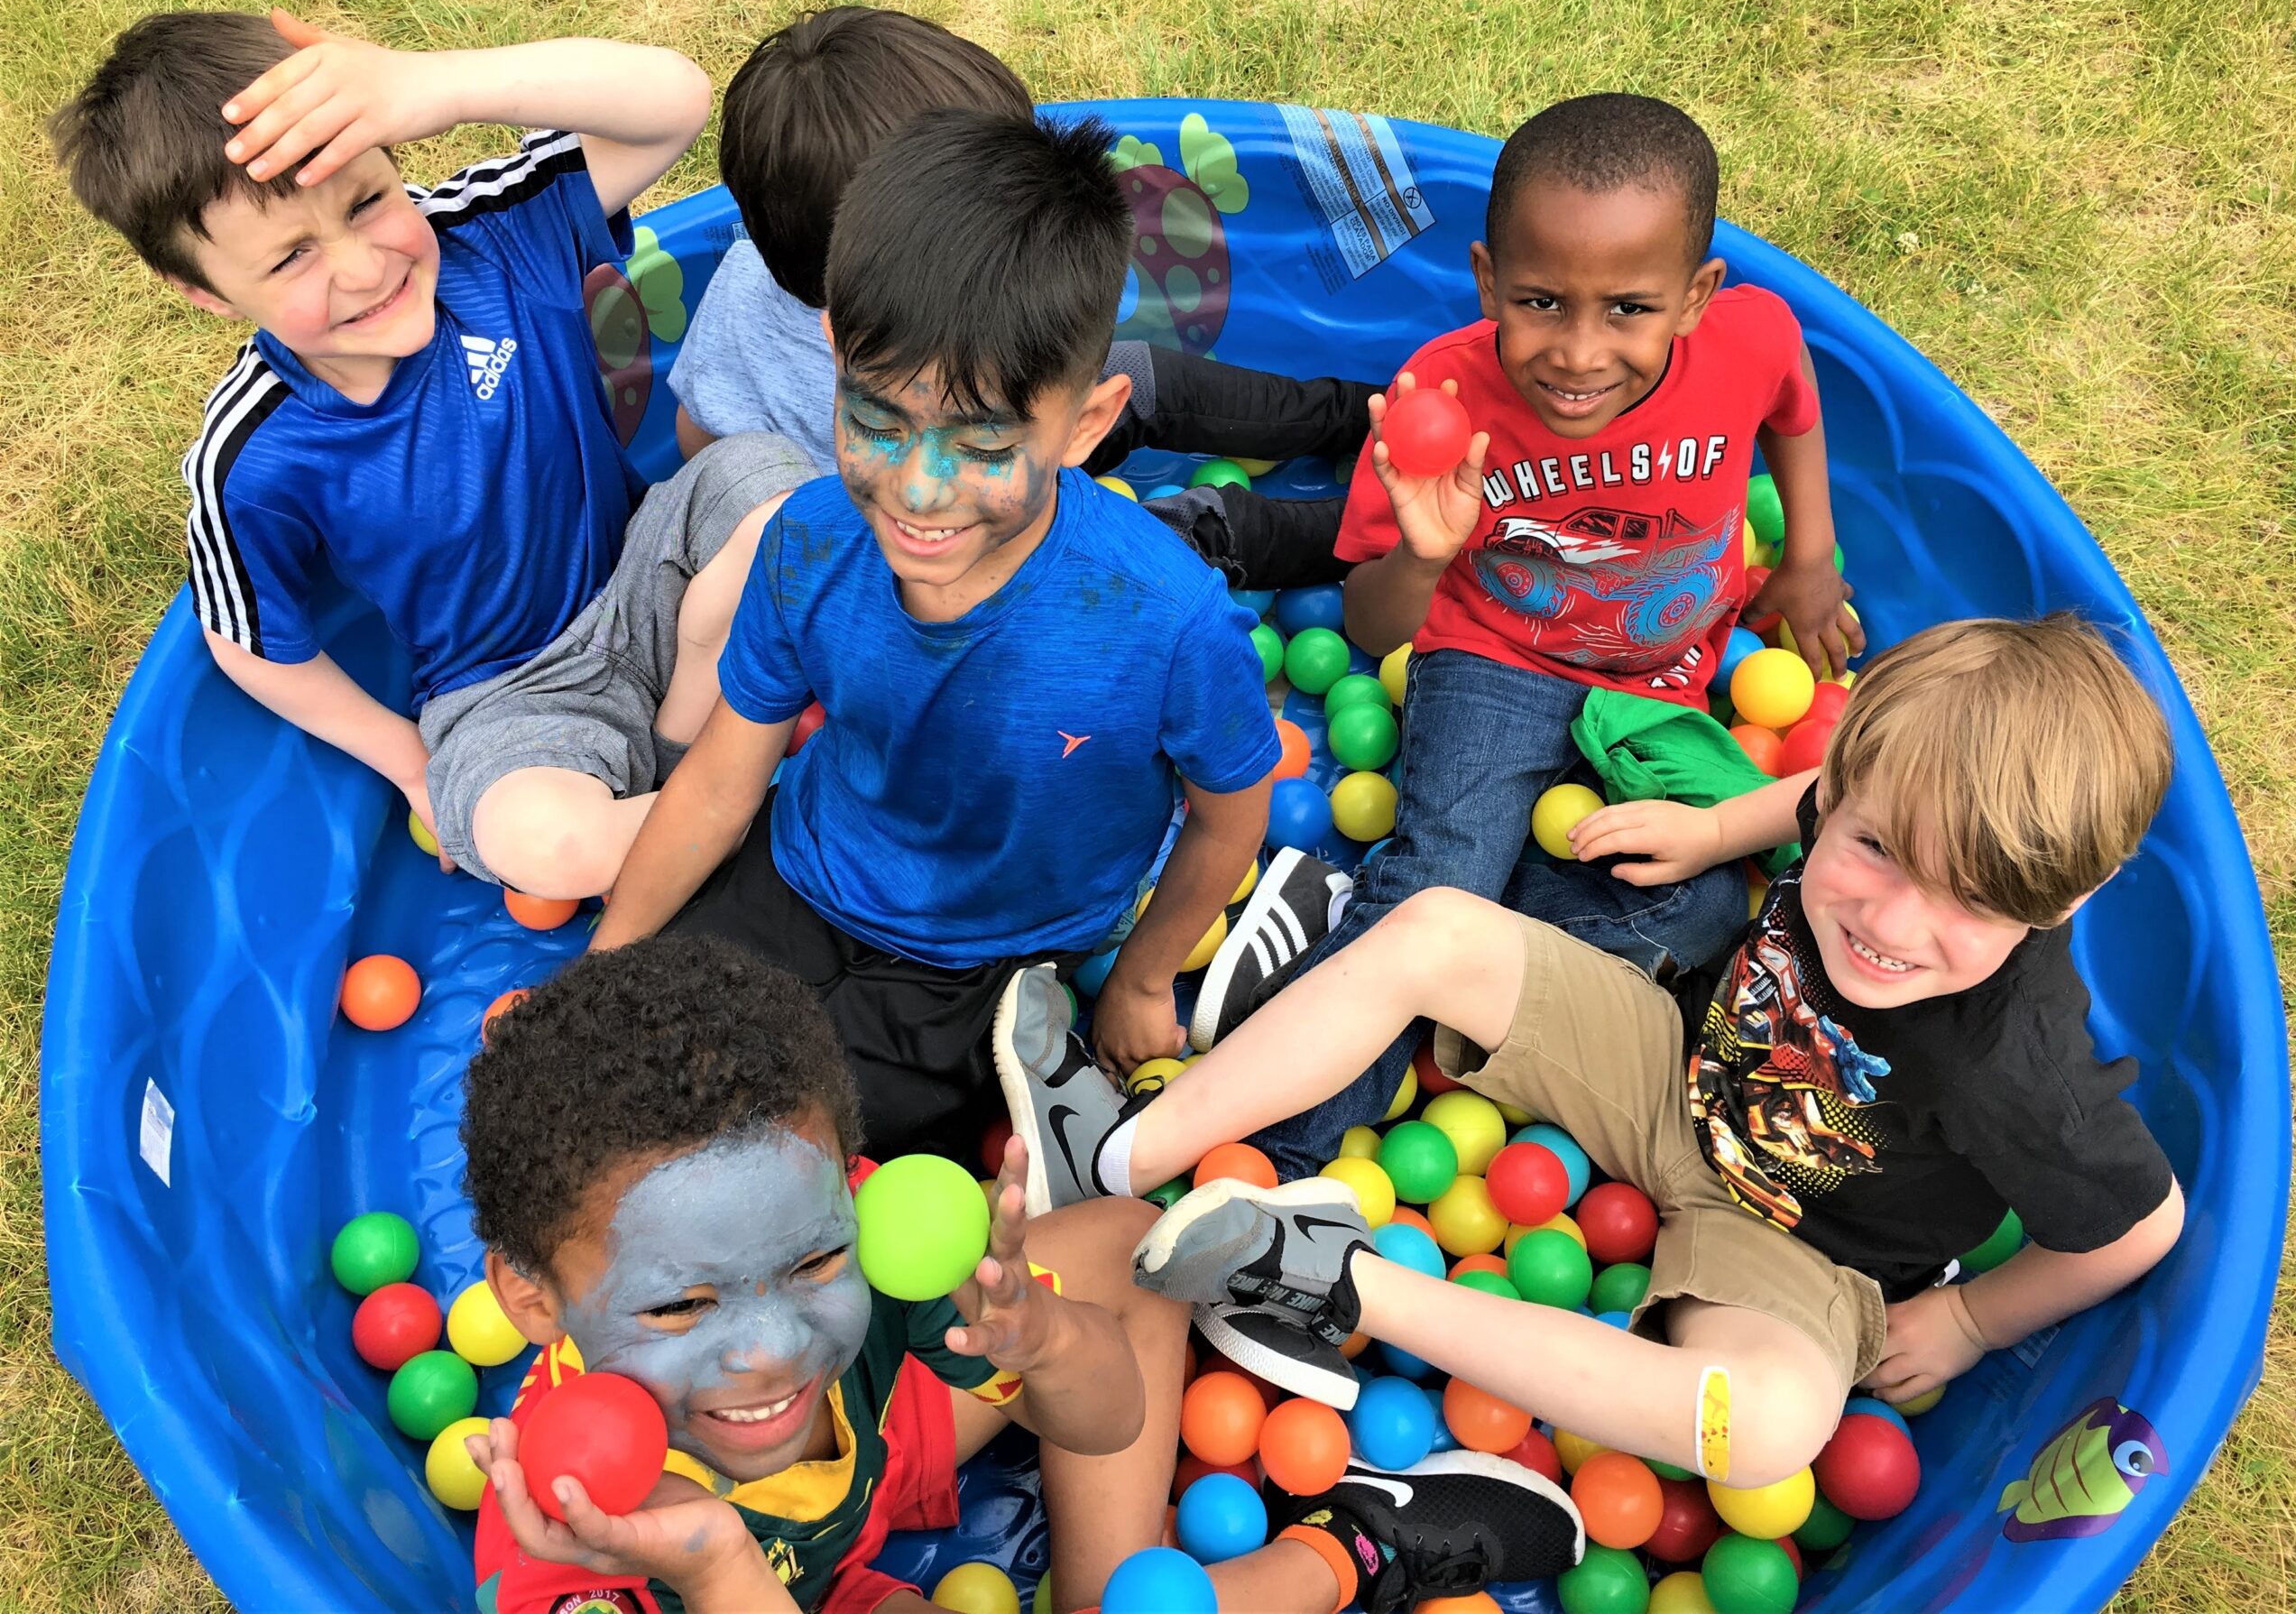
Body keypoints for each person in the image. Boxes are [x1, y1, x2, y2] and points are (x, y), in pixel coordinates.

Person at [1001, 615, 2185, 1469]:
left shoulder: (2013, 1061)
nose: (1890, 920)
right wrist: (1715, 829)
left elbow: (2142, 1225)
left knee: (1770, 1427)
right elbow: (1821, 792)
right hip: (1674, 1071)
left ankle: (1318, 1276)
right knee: (1441, 926)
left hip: (1800, 1251)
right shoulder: (1881, 790)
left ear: (2064, 903)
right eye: (1876, 849)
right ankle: (1120, 1146)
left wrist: (1971, 1323)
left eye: (1964, 899)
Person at [463, 936, 1582, 1614]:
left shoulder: (857, 1247)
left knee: (1126, 1247)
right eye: (679, 1304)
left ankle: (1112, 1583)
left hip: (882, 1442)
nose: (770, 1347)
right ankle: (1345, 1550)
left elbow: (1103, 1418)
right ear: (530, 1297)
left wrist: (1044, 1338)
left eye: (812, 1258)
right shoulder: (565, 1538)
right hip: (783, 1591)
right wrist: (716, 1569)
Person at [1188, 95, 1867, 1176]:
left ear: (1695, 299)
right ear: (1487, 280)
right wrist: (1422, 554)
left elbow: (1792, 399)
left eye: (1628, 309)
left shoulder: (1748, 338)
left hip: (1660, 686)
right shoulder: (1442, 394)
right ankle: (1273, 1157)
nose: (1579, 352)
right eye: (1541, 302)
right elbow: (1367, 624)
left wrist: (1809, 557)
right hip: (1493, 660)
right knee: (1442, 874)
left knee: (1700, 910)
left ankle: (1402, 953)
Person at [589, 111, 1277, 1159]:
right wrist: (606, 963)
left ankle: (1042, 1082)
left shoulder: (1165, 617)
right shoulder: (809, 541)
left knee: (810, 1153)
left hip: (991, 951)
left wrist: (1141, 978)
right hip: (802, 869)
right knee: (636, 1065)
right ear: (834, 352)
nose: (918, 490)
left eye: (983, 445)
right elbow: (723, 781)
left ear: (1086, 425)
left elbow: (1230, 814)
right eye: (877, 420)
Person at [50, 10, 816, 898]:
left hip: (655, 569)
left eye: (367, 201)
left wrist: (436, 86)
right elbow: (244, 636)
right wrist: (407, 758)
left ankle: (690, 761)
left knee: (779, 493)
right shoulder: (255, 450)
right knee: (546, 843)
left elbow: (675, 102)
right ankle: (778, 806)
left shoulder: (493, 235)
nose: (363, 266)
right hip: (510, 697)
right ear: (205, 291)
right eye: (293, 257)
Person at [669, 5, 1367, 588]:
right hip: (943, 574)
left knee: (1131, 381)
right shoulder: (925, 363)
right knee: (1171, 538)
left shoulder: (746, 270)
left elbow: (697, 435)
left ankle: (1355, 416)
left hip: (978, 468)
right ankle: (1370, 528)